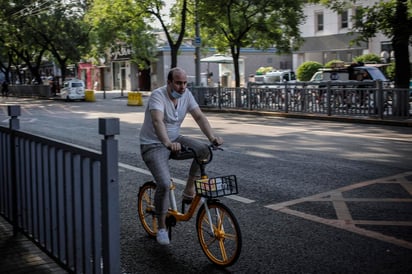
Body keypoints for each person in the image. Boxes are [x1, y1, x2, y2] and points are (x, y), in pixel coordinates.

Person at [139, 67, 223, 245]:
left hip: (175, 140)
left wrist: (212, 137)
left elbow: (199, 117)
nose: (182, 87)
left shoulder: (187, 95)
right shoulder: (158, 96)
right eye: (178, 83)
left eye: (185, 83)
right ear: (169, 82)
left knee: (204, 150)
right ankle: (161, 227)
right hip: (153, 145)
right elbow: (157, 121)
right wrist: (167, 143)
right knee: (163, 183)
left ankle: (189, 190)